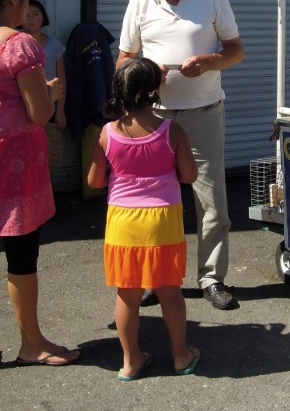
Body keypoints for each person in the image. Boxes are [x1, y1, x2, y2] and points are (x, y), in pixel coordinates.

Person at [117, 0, 244, 310]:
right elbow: (123, 61)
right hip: (153, 118)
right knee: (153, 204)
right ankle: (156, 278)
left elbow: (236, 51)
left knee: (212, 204)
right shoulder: (140, 2)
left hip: (204, 113)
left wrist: (210, 62)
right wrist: (145, 69)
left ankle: (212, 278)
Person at [87, 57, 199, 379]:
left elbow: (94, 181)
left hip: (122, 222)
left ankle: (130, 361)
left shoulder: (107, 133)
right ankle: (180, 356)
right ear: (154, 91)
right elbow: (189, 175)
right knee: (169, 291)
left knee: (128, 294)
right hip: (162, 221)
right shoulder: (172, 130)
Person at [0, 0, 79, 366]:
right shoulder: (20, 46)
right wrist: (50, 93)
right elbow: (38, 113)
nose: (28, 5)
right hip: (15, 166)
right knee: (20, 257)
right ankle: (31, 343)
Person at [22, 0, 67, 130]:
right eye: (26, 15)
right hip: (23, 105)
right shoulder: (16, 44)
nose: (31, 18)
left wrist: (60, 111)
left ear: (43, 18)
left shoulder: (54, 45)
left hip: (49, 104)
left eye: (35, 14)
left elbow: (61, 79)